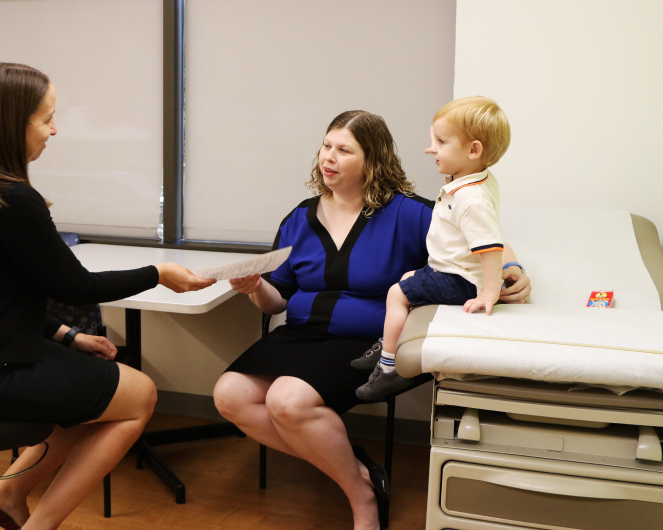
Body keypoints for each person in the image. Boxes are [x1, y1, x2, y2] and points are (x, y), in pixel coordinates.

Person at [0, 62, 215, 530]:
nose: (54, 129)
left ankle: (8, 492)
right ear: (11, 124)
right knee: (140, 395)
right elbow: (76, 287)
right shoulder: (8, 196)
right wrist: (159, 272)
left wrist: (68, 337)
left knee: (94, 389)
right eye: (45, 118)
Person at [212, 110, 530, 530]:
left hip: (370, 343)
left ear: (372, 159)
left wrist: (514, 269)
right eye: (327, 146)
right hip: (301, 334)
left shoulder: (408, 213)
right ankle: (353, 467)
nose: (329, 157)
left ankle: (361, 497)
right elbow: (274, 304)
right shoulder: (299, 220)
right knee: (228, 395)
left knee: (286, 401)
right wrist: (254, 287)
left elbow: (482, 237)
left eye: (344, 150)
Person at [356, 96, 512, 400]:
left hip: (462, 279)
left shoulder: (471, 199)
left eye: (440, 142)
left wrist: (490, 292)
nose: (432, 149)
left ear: (473, 150)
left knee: (395, 293)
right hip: (450, 268)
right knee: (407, 278)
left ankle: (388, 368)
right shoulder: (470, 178)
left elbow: (491, 248)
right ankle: (388, 344)